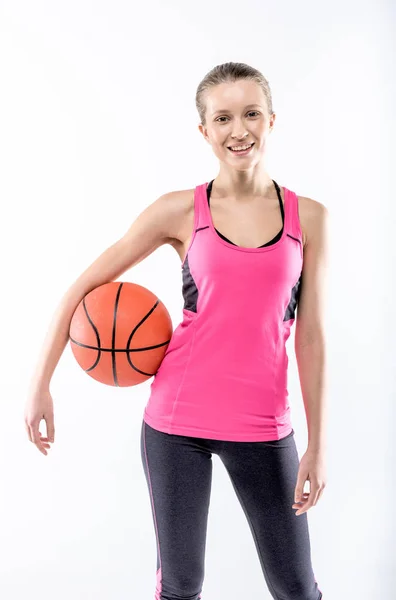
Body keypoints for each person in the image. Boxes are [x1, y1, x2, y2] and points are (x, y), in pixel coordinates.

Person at [24, 62, 328, 600]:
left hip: (264, 426)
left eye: (251, 113)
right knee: (180, 586)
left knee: (297, 588)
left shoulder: (310, 218)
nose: (239, 130)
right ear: (204, 130)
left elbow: (311, 337)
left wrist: (318, 445)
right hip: (175, 423)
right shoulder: (179, 211)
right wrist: (40, 384)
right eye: (223, 118)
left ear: (272, 120)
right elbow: (81, 287)